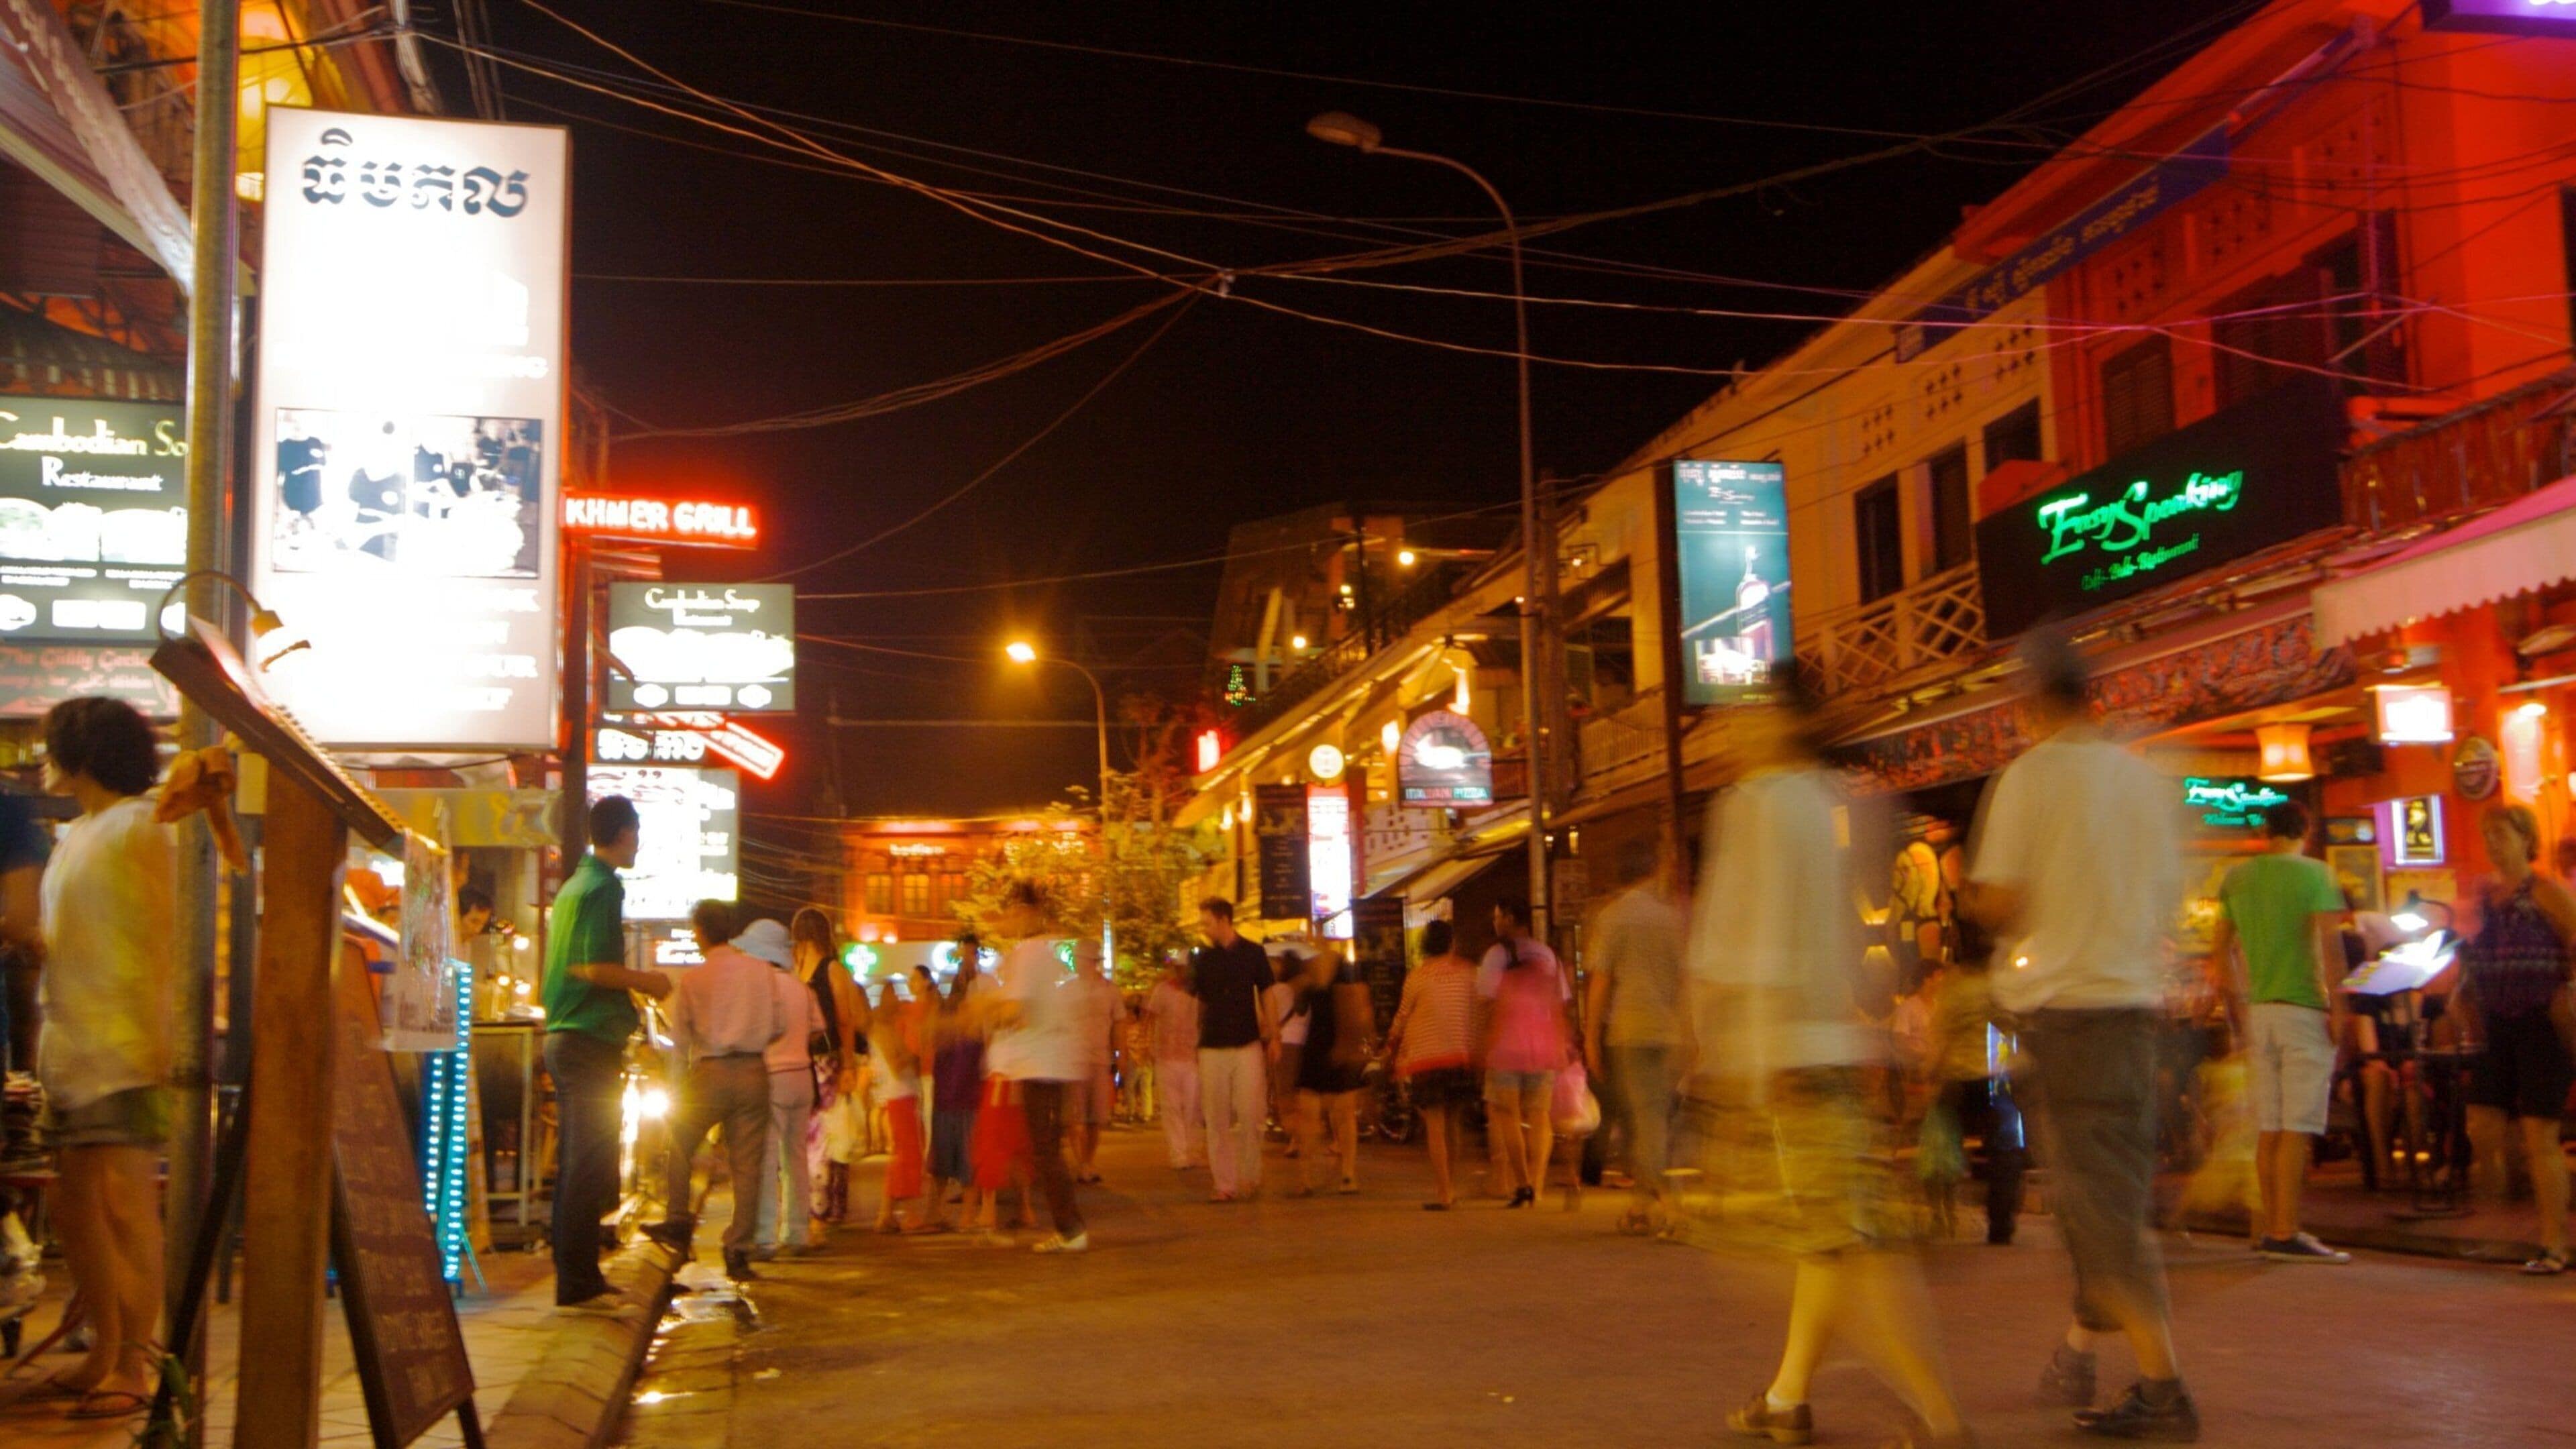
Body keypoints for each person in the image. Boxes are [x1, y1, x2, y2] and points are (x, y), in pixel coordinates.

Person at [1696, 676, 1972, 1449]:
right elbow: (1856, 940)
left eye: (1744, 715)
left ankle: (1941, 1415)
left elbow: (1733, 948)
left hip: (1782, 1053)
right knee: (1832, 1239)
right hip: (1841, 1046)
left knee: (1835, 1253)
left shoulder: (1752, 805)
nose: (1731, 730)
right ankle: (1788, 1398)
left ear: (1781, 722)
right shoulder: (1838, 802)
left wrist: (1727, 1071)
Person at [1962, 631, 2197, 1440]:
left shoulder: (2030, 779)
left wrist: (1987, 906)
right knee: (2104, 1200)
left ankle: (2164, 1387)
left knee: (2100, 1212)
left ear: (2029, 702)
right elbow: (2168, 896)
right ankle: (2079, 1353)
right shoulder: (2141, 780)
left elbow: (1998, 902)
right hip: (2135, 1015)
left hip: (2068, 1019)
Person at [31, 698, 172, 1416]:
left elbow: (166, 937)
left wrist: (161, 1040)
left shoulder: (142, 826)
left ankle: (137, 1366)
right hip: (73, 1051)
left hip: (123, 1050)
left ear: (83, 752)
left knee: (123, 1206)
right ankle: (108, 1353)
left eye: (53, 743)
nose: (40, 754)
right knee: (78, 1205)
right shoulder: (77, 833)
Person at [542, 794, 669, 1314]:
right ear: (621, 833)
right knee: (585, 1163)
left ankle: (577, 1273)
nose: (638, 842)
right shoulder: (601, 887)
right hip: (586, 1040)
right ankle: (577, 1278)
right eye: (636, 832)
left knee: (581, 1162)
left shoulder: (575, 886)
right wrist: (649, 982)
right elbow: (593, 967)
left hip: (572, 1038)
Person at [2210, 799, 2352, 1264]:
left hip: (2260, 1013)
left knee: (2270, 1126)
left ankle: (2273, 1226)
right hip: (2304, 1008)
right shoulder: (2317, 876)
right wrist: (2341, 1006)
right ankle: (2285, 1230)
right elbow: (2329, 947)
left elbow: (2221, 952)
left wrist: (2236, 1007)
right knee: (2297, 1127)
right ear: (2305, 831)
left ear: (2265, 831)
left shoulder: (2237, 879)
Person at [2457, 802, 2575, 1275]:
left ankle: (2554, 1243)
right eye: (2488, 836)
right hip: (2498, 1021)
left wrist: (2567, 989)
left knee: (2538, 1134)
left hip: (2540, 1019)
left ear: (2526, 840)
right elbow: (2471, 954)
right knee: (2482, 1125)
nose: (2493, 845)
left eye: (2502, 835)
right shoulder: (2486, 898)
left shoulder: (2545, 891)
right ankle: (2500, 1224)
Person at [645, 910, 787, 1283]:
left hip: (710, 1072)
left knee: (679, 1141)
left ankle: (677, 1220)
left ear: (701, 933)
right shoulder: (761, 972)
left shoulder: (693, 980)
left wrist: (677, 1087)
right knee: (748, 1166)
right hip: (754, 1071)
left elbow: (681, 1044)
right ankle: (738, 1251)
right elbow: (778, 1026)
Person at [1582, 838, 1690, 1233]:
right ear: (1650, 871)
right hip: (1669, 1032)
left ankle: (1672, 1204)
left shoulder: (1612, 917)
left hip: (1629, 1031)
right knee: (1652, 1119)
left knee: (1644, 1121)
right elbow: (1685, 980)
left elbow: (1601, 982)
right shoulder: (1671, 918)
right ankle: (1641, 1206)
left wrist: (1591, 1036)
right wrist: (1692, 1034)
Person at [981, 881, 1089, 1253]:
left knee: (1043, 1150)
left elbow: (1015, 1010)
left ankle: (1071, 1229)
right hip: (1046, 1062)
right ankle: (1067, 1226)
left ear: (1026, 912)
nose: (1006, 921)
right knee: (1042, 1148)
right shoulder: (1042, 952)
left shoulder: (1028, 952)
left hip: (1041, 1065)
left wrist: (985, 1012)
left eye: (1011, 912)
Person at [1478, 897, 1574, 1209]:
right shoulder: (1547, 955)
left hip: (1506, 1046)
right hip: (1543, 1046)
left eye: (1497, 916)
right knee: (1540, 1115)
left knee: (1508, 1116)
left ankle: (1521, 1185)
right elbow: (1560, 1002)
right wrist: (1561, 1044)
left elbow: (1487, 1002)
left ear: (1508, 918)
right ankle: (1539, 1183)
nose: (1495, 923)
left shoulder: (1496, 954)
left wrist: (1483, 1043)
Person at [1385, 918, 1478, 1210]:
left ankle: (1444, 1191)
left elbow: (1401, 1017)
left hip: (1427, 1058)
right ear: (1452, 943)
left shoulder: (1418, 976)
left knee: (1435, 1125)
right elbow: (1477, 1011)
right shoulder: (1469, 973)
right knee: (1454, 1122)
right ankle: (1451, 1181)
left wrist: (1390, 1046)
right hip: (1460, 1055)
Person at [753, 912, 828, 1258]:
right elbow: (818, 1030)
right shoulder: (801, 986)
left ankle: (765, 1237)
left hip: (771, 1079)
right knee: (796, 1158)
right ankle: (797, 1232)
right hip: (802, 1078)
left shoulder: (760, 986)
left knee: (768, 1160)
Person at [1192, 898, 1278, 1203]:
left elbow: (1267, 993)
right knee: (1216, 1117)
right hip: (1212, 1044)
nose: (1204, 928)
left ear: (1223, 920)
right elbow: (1200, 1002)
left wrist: (1275, 1034)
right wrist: (1193, 1037)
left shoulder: (1253, 953)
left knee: (1252, 1113)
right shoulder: (1203, 959)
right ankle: (1224, 1183)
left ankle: (1250, 1175)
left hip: (1246, 1042)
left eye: (1207, 922)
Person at [791, 908, 867, 1224]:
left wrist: (848, 1064)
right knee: (818, 1134)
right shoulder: (804, 969)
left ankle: (824, 1209)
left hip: (825, 1061)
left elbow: (846, 1021)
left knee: (826, 1133)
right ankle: (824, 1206)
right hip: (806, 1061)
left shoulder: (827, 969)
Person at [1289, 949, 1373, 1196]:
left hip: (1316, 1049)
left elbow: (1300, 1009)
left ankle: (1306, 1178)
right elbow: (1362, 1016)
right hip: (1340, 1049)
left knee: (1310, 1117)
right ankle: (1348, 1175)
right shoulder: (1349, 983)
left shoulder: (1309, 983)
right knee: (1345, 1116)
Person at [923, 939, 987, 1232]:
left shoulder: (972, 1024)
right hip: (954, 1098)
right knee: (951, 1161)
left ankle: (956, 1216)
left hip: (959, 1099)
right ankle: (947, 1215)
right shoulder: (952, 1024)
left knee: (959, 1162)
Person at [872, 978, 929, 1234]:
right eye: (893, 995)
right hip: (899, 1095)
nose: (897, 1000)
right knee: (907, 1156)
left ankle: (886, 1214)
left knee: (902, 1156)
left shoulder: (888, 1028)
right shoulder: (882, 1030)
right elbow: (896, 1064)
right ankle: (910, 1215)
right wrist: (913, 1052)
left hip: (902, 1094)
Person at [1142, 957, 1203, 1169]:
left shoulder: (1199, 993)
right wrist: (1147, 1045)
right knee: (1172, 1107)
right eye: (1179, 968)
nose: (1183, 972)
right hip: (1166, 1056)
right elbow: (1149, 1018)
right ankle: (1179, 1154)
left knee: (1193, 1106)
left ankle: (1192, 1151)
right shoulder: (1163, 991)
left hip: (1191, 1057)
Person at [1071, 946, 1121, 1185]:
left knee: (1094, 1118)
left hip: (1100, 1058)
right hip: (1073, 1059)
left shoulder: (1110, 990)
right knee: (1075, 1117)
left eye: (1081, 959)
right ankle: (1081, 1162)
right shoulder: (1067, 990)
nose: (1078, 963)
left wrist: (1120, 1054)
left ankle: (1088, 1161)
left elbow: (1118, 1023)